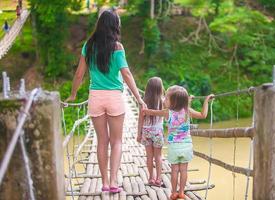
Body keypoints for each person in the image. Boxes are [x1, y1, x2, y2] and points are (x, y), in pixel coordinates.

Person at [65, 10, 146, 193]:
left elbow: (79, 74)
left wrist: (73, 94)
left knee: (102, 141)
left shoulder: (89, 46)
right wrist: (138, 98)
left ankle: (104, 182)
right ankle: (113, 182)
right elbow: (126, 74)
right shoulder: (117, 47)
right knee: (116, 141)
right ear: (114, 26)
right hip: (114, 98)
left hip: (96, 97)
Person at [143, 85, 214, 199]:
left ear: (174, 102)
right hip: (186, 146)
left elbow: (153, 112)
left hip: (174, 147)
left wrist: (144, 110)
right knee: (184, 170)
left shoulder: (167, 112)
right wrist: (206, 101)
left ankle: (173, 193)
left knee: (175, 170)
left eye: (166, 98)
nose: (164, 100)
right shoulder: (187, 111)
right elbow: (203, 115)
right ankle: (181, 192)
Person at [137, 77, 164, 187]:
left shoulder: (144, 102)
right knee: (158, 156)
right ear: (160, 88)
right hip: (158, 132)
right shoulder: (163, 101)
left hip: (146, 131)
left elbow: (140, 120)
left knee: (149, 156)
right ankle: (159, 178)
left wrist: (138, 134)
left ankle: (150, 178)